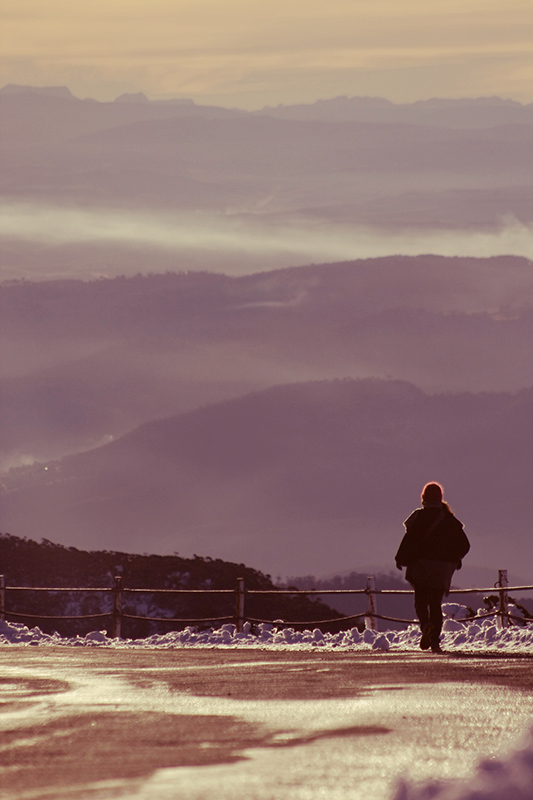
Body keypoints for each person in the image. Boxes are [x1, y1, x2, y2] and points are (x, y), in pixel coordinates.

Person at [395, 482, 470, 653]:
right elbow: (464, 545)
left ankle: (425, 625)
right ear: (440, 498)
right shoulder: (450, 519)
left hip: (421, 567)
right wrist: (454, 559)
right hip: (442, 570)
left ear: (424, 498)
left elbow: (408, 541)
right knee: (435, 604)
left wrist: (400, 559)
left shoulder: (418, 517)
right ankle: (435, 640)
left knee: (420, 601)